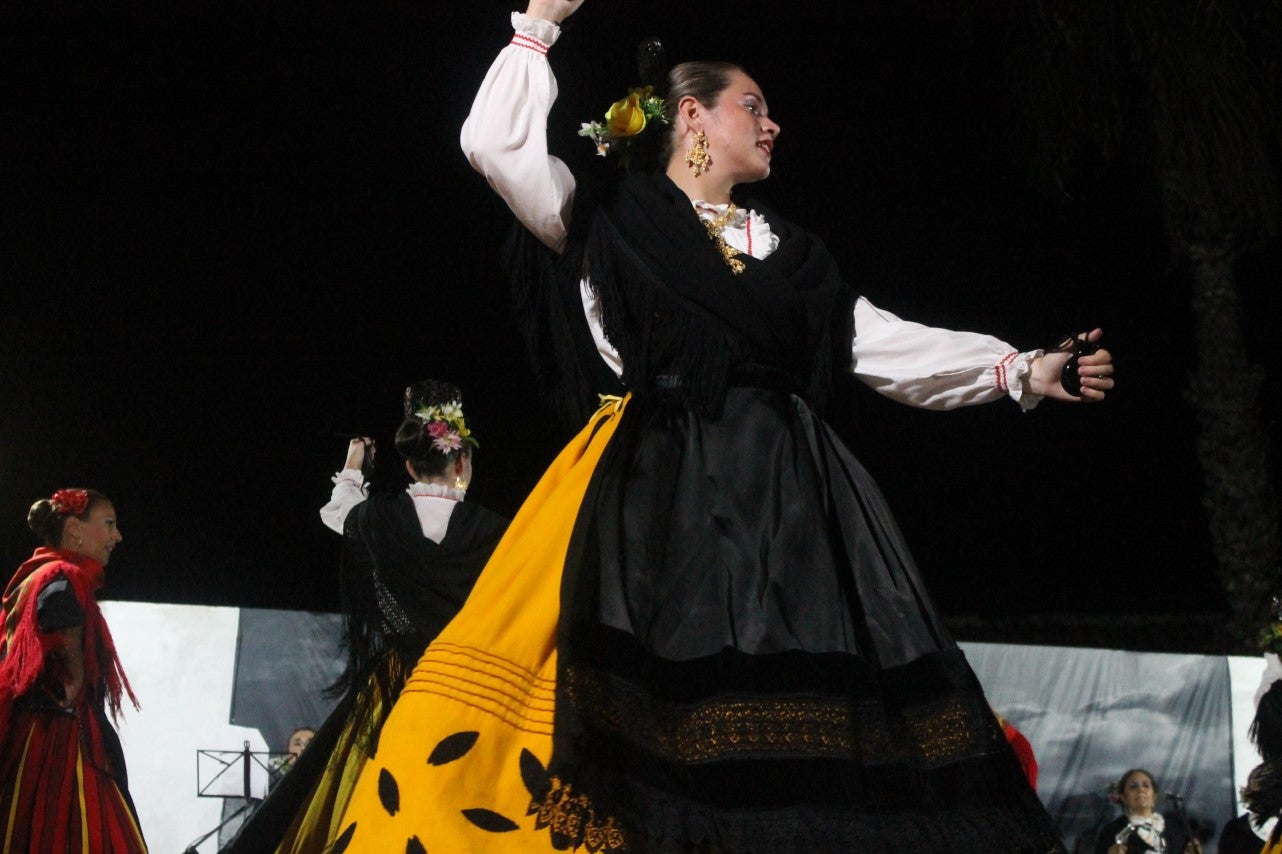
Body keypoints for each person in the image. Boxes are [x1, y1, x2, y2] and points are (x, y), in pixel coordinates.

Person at [334, 2, 1117, 850]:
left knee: (798, 714)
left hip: (788, 492)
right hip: (652, 485)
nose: (773, 122)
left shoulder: (795, 253)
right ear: (693, 116)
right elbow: (495, 146)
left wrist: (1019, 369)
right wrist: (538, 28)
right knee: (648, 699)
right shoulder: (604, 217)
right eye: (754, 104)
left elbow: (874, 341)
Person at [222, 380, 508, 854]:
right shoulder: (499, 531)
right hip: (473, 684)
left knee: (382, 793)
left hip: (401, 686)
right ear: (462, 462)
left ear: (409, 463)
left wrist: (354, 464)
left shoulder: (375, 519)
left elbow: (337, 511)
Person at [0, 488, 145, 852]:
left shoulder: (30, 577)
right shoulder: (63, 572)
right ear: (75, 530)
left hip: (33, 733)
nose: (117, 536)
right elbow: (59, 611)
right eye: (108, 524)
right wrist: (75, 674)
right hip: (60, 737)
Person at [1093, 769, 1202, 854]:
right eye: (1133, 787)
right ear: (1123, 797)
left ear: (1154, 796)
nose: (1141, 789)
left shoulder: (1176, 828)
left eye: (1146, 785)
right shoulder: (1112, 832)